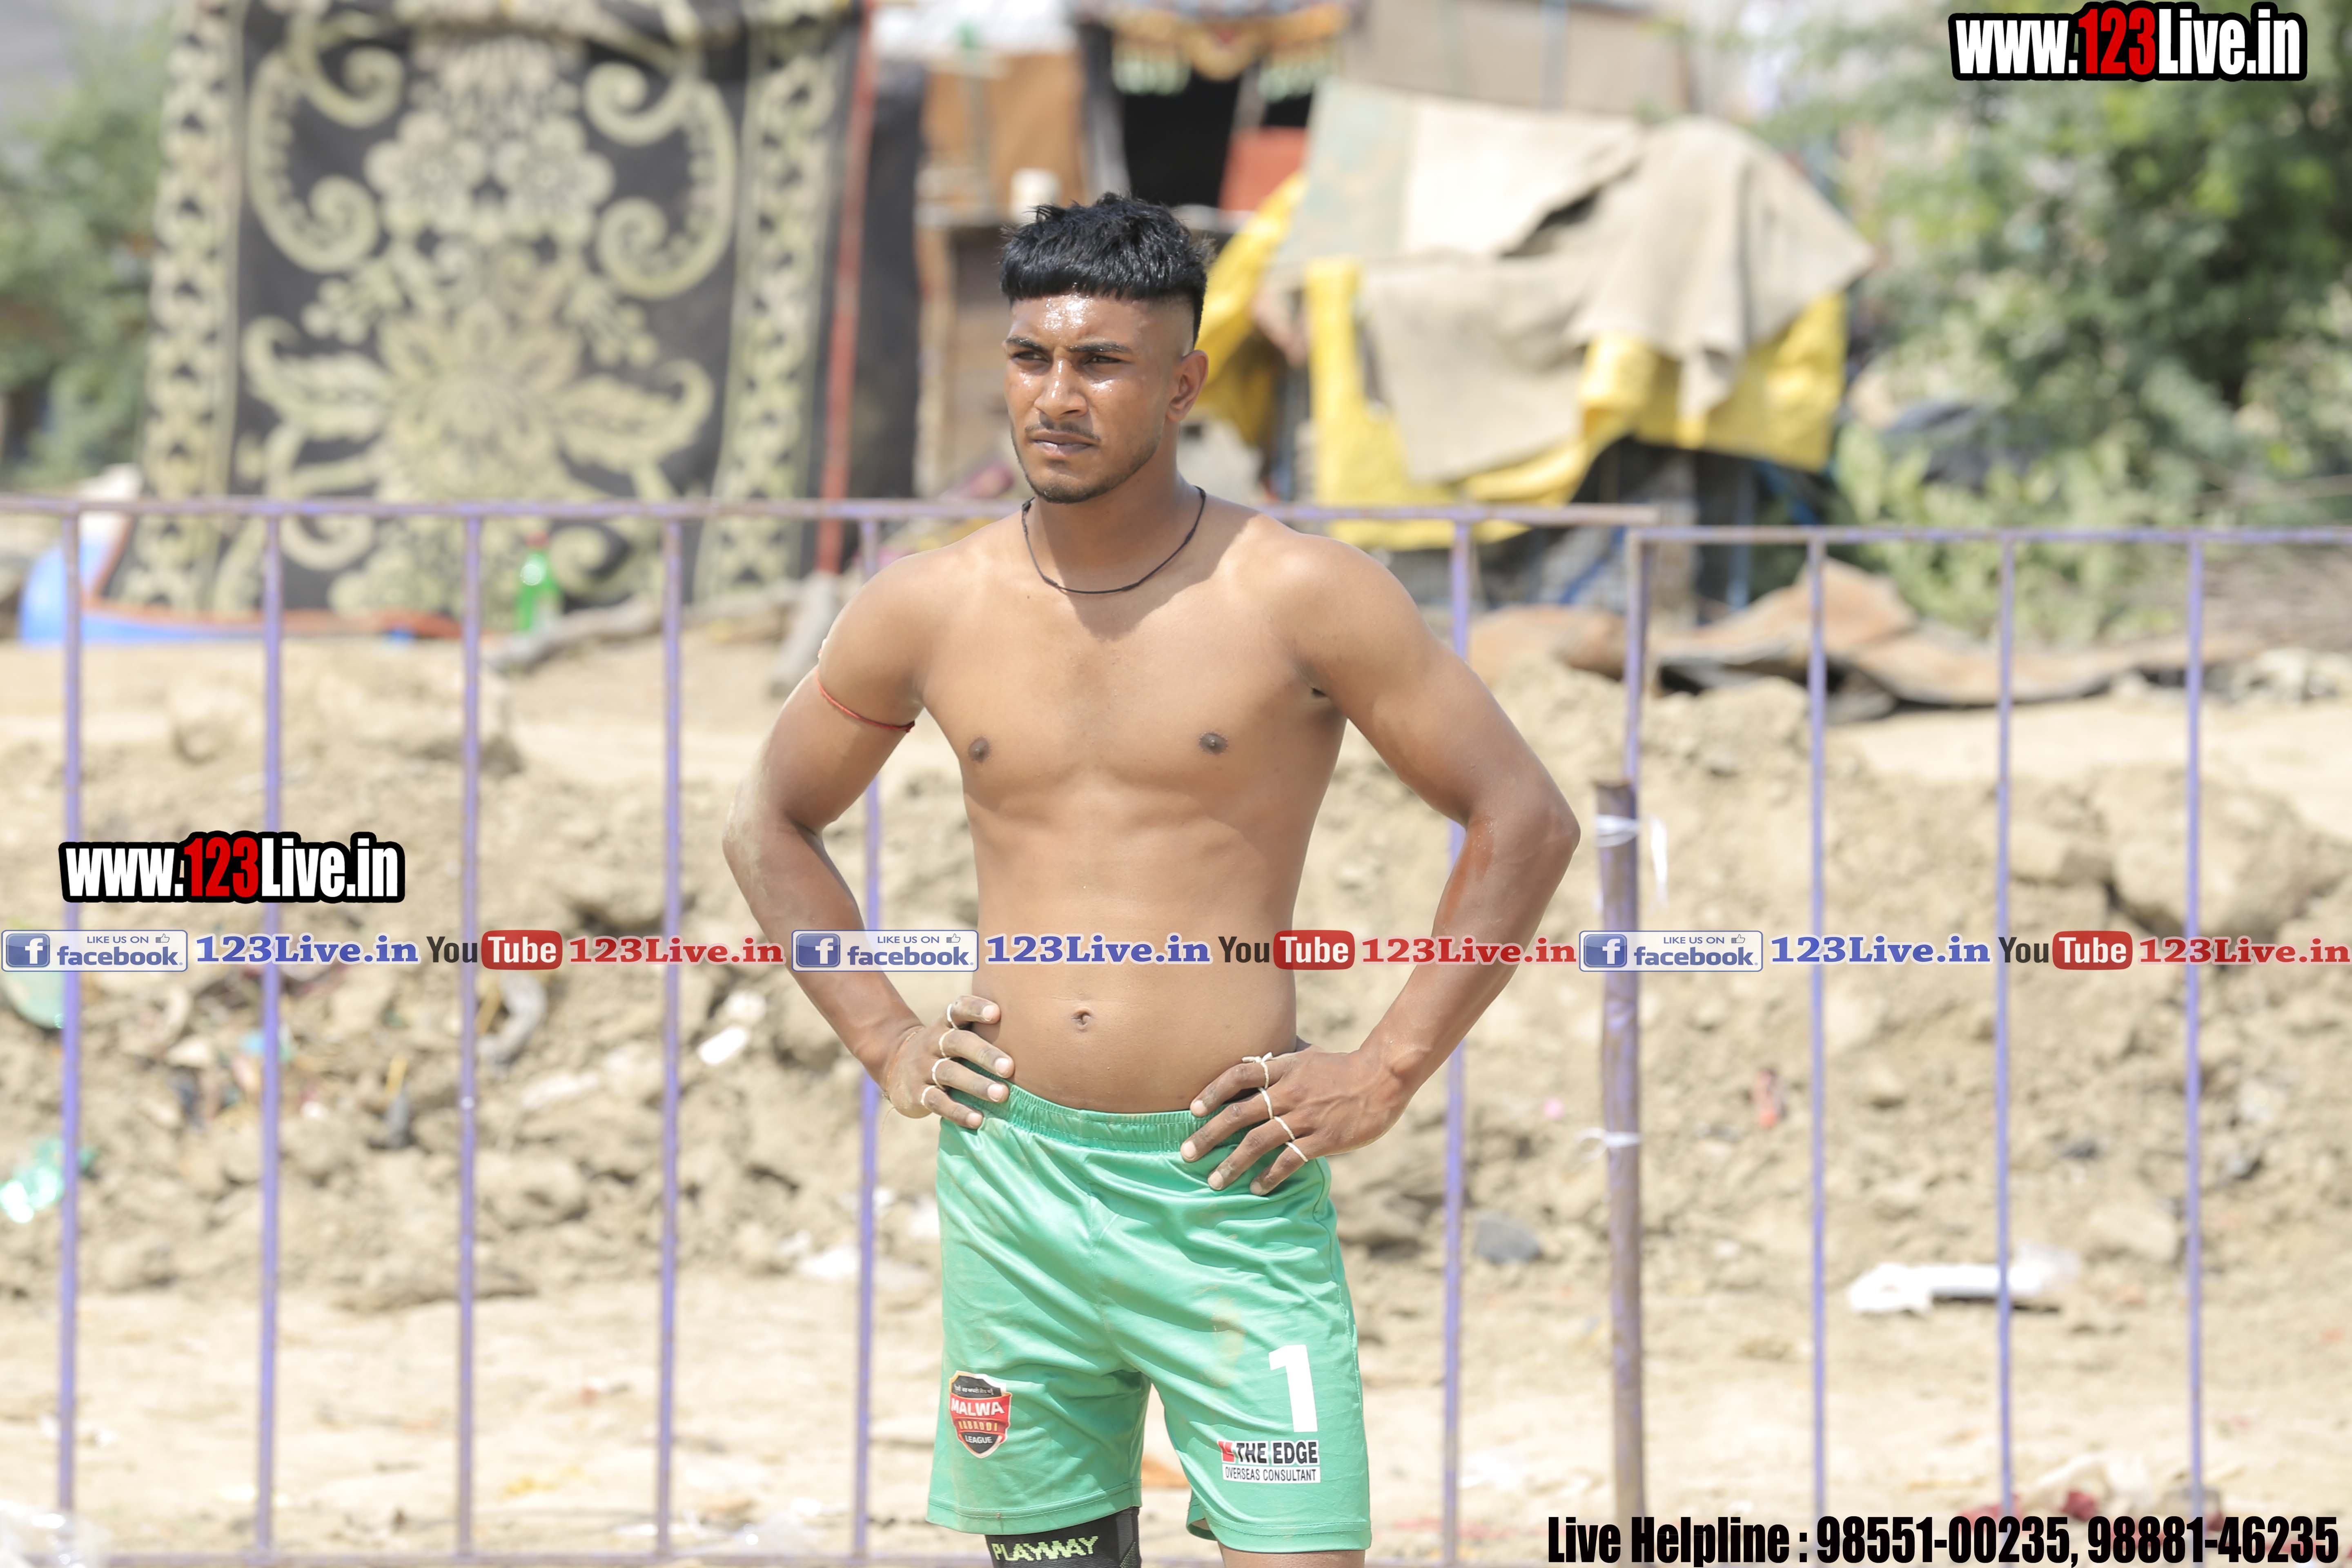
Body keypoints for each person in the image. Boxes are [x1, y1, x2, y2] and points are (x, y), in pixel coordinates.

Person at [724, 194, 1578, 1568]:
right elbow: (769, 822)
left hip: (1225, 1184)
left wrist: (1386, 1070)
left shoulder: (1300, 593)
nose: (1056, 396)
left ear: (1183, 384)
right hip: (1016, 1186)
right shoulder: (929, 605)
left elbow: (1522, 819)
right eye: (1031, 357)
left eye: (1101, 363)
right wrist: (885, 1039)